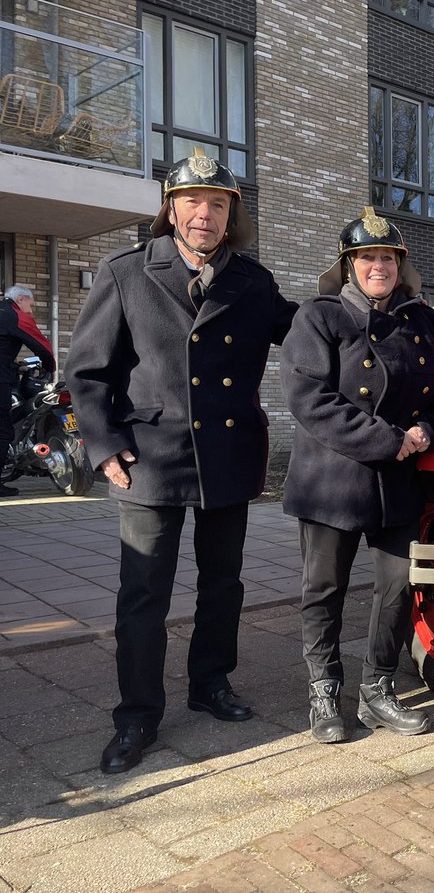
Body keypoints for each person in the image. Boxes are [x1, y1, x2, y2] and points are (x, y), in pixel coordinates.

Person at [66, 149, 297, 774]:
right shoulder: (127, 274)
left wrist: (361, 307)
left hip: (227, 456)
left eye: (218, 204)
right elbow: (86, 372)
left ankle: (210, 684)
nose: (205, 214)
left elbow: (305, 335)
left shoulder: (254, 282)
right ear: (171, 211)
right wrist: (103, 443)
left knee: (224, 583)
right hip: (152, 458)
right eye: (193, 202)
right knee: (144, 593)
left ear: (232, 217)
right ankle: (138, 714)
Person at [281, 207, 434, 744]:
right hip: (333, 477)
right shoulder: (319, 316)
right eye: (366, 257)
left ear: (401, 265)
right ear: (349, 265)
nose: (377, 266)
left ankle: (379, 690)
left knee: (399, 585)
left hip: (399, 479)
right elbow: (309, 398)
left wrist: (428, 431)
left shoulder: (423, 321)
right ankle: (324, 692)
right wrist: (390, 440)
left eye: (387, 257)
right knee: (325, 588)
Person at [1, 285, 57, 496]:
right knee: (2, 432)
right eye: (31, 306)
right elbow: (42, 345)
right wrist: (50, 369)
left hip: (5, 372)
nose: (31, 311)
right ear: (21, 299)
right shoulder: (14, 315)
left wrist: (17, 367)